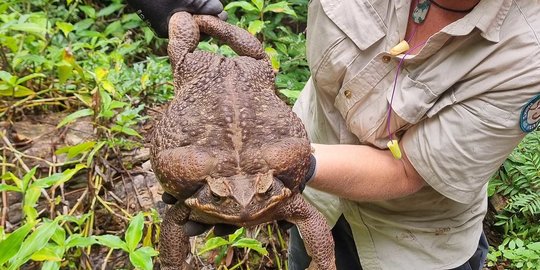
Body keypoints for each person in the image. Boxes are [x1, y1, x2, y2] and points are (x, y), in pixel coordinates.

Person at [127, 0, 540, 269]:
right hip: (309, 197)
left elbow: (409, 170)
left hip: (413, 241)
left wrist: (280, 169)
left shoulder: (528, 53)